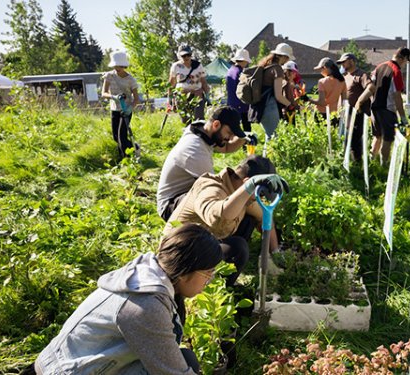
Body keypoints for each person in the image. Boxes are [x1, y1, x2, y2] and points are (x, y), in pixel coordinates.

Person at [33, 224, 222, 375]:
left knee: (186, 358)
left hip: (62, 364)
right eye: (207, 273)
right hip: (61, 371)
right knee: (186, 362)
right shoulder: (146, 305)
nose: (209, 280)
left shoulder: (147, 276)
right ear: (184, 270)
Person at [164, 155, 288, 286]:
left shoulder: (243, 193)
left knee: (248, 221)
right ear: (246, 182)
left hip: (207, 243)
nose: (260, 198)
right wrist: (247, 189)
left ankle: (214, 279)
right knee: (238, 248)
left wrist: (275, 254)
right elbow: (220, 215)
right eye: (260, 193)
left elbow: (265, 218)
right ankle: (215, 289)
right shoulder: (211, 187)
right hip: (180, 256)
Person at [157, 106, 254, 221]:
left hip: (185, 193)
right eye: (229, 133)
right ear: (216, 125)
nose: (230, 138)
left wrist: (244, 138)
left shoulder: (202, 130)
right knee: (223, 205)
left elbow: (226, 147)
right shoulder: (195, 150)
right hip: (170, 205)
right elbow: (215, 189)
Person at [356, 47, 410, 164]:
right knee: (388, 138)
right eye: (406, 62)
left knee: (377, 135)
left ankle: (371, 160)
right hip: (387, 110)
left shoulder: (379, 67)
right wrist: (403, 117)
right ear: (403, 58)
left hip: (374, 108)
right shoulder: (396, 71)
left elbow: (371, 88)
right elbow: (397, 97)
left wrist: (360, 101)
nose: (405, 65)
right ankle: (383, 165)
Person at [250, 43, 295, 143]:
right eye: (287, 58)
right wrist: (291, 105)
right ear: (283, 56)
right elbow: (279, 96)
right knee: (273, 140)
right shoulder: (277, 69)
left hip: (261, 107)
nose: (287, 60)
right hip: (269, 107)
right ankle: (270, 159)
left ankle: (265, 158)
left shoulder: (267, 66)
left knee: (269, 137)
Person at [101, 51, 140, 158]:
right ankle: (134, 147)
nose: (117, 68)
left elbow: (136, 99)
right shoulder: (109, 76)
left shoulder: (131, 79)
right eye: (115, 65)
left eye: (119, 66)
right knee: (115, 137)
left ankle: (125, 160)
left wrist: (130, 109)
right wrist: (113, 97)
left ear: (124, 65)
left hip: (126, 109)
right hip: (114, 109)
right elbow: (103, 93)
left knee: (121, 136)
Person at [338, 53, 372, 162]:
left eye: (344, 62)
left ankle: (357, 166)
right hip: (346, 113)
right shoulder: (345, 77)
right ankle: (351, 164)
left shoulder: (361, 75)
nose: (342, 64)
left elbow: (371, 88)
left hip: (357, 114)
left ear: (351, 61)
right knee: (347, 140)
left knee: (354, 141)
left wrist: (359, 101)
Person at [169, 43, 210, 123]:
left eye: (188, 55)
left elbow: (204, 82)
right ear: (179, 56)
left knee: (199, 121)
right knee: (185, 121)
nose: (186, 57)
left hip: (197, 96)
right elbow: (171, 84)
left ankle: (198, 134)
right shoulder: (175, 66)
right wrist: (170, 101)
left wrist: (208, 98)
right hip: (182, 97)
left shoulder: (198, 66)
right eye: (183, 56)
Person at [308, 57, 347, 124]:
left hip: (321, 113)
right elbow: (344, 101)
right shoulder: (342, 81)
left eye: (321, 69)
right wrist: (341, 114)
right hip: (334, 114)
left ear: (325, 68)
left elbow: (321, 102)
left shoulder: (322, 81)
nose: (320, 72)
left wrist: (308, 99)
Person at [226, 49, 252, 133]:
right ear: (244, 60)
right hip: (241, 104)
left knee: (233, 127)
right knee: (246, 128)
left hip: (231, 103)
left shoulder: (230, 71)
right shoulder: (240, 72)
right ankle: (247, 144)